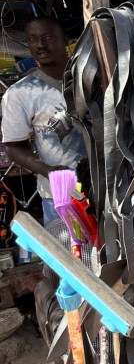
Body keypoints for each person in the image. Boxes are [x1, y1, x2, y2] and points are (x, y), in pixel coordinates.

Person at [1, 16, 86, 225]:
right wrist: (49, 171)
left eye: (48, 38)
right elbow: (13, 147)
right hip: (60, 195)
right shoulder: (20, 93)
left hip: (109, 187)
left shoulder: (91, 78)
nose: (40, 45)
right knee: (68, 254)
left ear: (65, 40)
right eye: (33, 39)